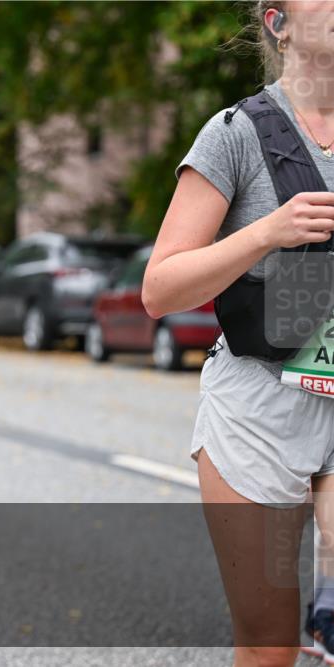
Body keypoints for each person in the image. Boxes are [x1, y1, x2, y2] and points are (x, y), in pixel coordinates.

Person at [142, 2, 334, 666]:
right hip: (260, 407)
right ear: (279, 24)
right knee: (268, 644)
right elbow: (160, 289)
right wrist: (266, 233)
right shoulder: (236, 134)